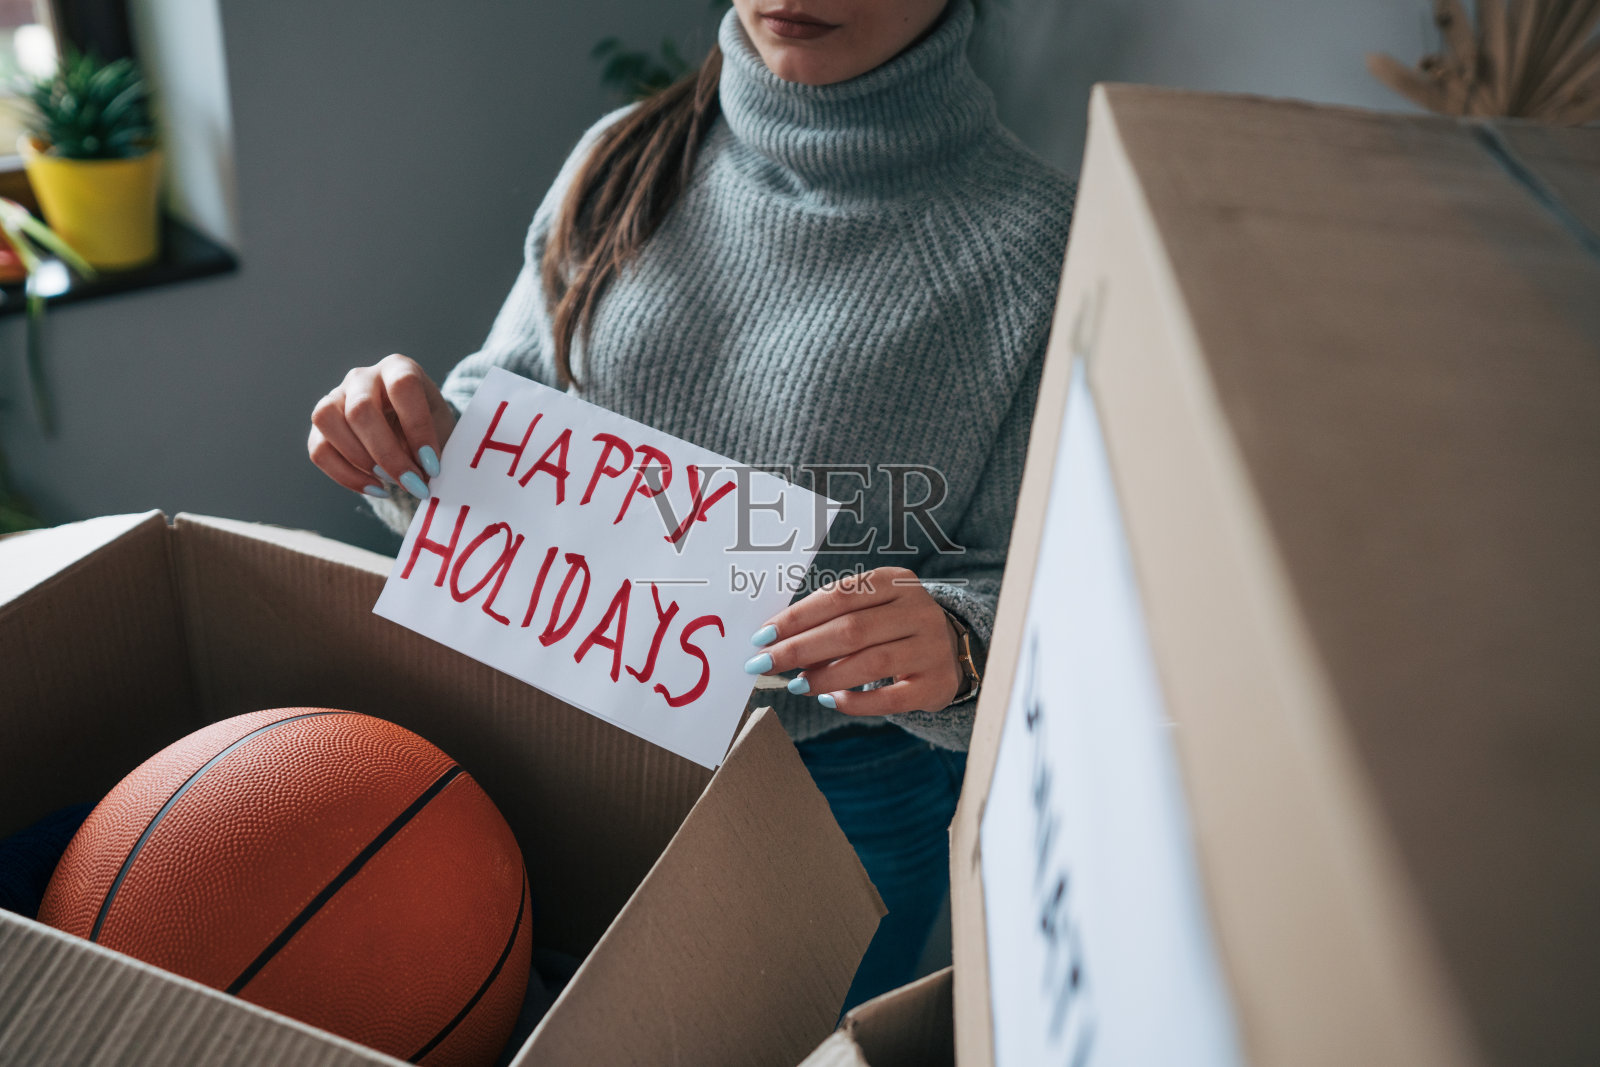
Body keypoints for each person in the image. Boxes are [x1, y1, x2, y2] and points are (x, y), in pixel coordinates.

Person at [308, 0, 1072, 1012]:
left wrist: (963, 642)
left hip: (828, 796)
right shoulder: (625, 152)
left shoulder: (1035, 248)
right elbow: (505, 405)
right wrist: (402, 440)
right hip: (563, 739)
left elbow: (1052, 597)